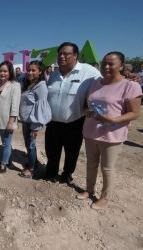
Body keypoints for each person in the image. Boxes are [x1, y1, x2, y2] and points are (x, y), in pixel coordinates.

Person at [77, 51, 142, 210]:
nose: (106, 66)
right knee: (91, 164)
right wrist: (87, 112)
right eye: (104, 63)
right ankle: (89, 189)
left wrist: (113, 120)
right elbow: (87, 105)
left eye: (111, 64)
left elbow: (134, 113)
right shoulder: (95, 83)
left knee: (107, 168)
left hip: (112, 134)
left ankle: (105, 197)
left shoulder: (130, 86)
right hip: (91, 130)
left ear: (121, 65)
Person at [45, 42, 101, 184]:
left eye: (66, 53)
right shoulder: (54, 74)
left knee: (72, 152)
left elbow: (103, 87)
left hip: (74, 122)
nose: (61, 56)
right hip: (52, 122)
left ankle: (67, 174)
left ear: (75, 56)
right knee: (52, 150)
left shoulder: (89, 72)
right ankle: (51, 172)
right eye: (60, 54)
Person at [19, 61, 52, 178]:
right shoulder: (29, 84)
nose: (30, 72)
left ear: (40, 72)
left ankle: (32, 170)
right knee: (28, 145)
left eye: (33, 70)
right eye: (29, 70)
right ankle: (34, 163)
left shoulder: (41, 86)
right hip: (26, 121)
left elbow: (41, 108)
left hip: (33, 122)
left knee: (31, 146)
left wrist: (36, 126)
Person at [0, 61, 21, 174]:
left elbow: (15, 105)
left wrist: (11, 121)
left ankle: (3, 166)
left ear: (10, 72)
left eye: (5, 71)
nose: (2, 73)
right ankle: (9, 160)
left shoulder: (14, 85)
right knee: (5, 142)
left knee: (6, 143)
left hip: (7, 120)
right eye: (0, 71)